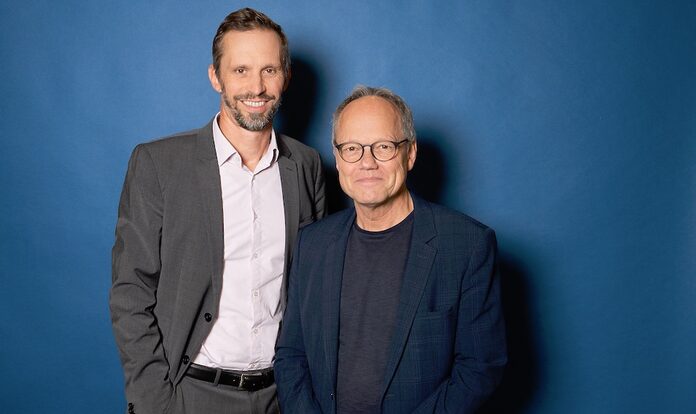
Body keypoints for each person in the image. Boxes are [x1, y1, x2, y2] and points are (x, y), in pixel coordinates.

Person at [110, 8, 325, 414]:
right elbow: (130, 291)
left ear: (286, 77)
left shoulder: (307, 165)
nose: (256, 87)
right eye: (240, 70)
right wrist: (156, 401)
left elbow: (311, 286)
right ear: (215, 77)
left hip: (283, 396)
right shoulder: (158, 164)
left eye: (269, 70)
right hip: (189, 395)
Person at [274, 86, 506, 413]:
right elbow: (291, 355)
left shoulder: (466, 245)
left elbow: (480, 366)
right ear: (338, 158)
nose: (367, 162)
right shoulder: (313, 244)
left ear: (409, 154)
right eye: (352, 148)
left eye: (383, 146)